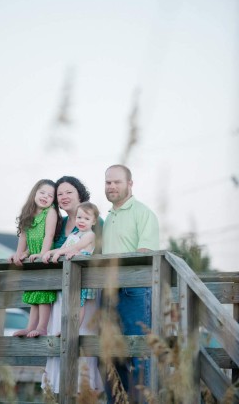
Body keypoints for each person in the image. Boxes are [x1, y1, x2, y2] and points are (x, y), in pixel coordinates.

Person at [102, 164, 159, 402]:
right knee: (110, 356)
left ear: (130, 184)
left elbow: (145, 252)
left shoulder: (143, 213)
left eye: (117, 182)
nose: (112, 186)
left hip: (134, 291)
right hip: (107, 292)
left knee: (139, 353)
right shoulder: (107, 218)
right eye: (108, 182)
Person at [40, 201, 104, 396]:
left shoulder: (89, 235)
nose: (82, 221)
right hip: (71, 279)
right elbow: (66, 246)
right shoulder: (74, 234)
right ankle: (70, 324)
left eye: (86, 218)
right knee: (74, 302)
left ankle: (74, 326)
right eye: (79, 218)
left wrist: (59, 252)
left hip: (84, 276)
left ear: (93, 221)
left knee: (81, 303)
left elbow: (76, 248)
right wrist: (48, 253)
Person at [9, 179, 59, 338]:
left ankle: (42, 327)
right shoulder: (28, 212)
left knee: (43, 294)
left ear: (53, 200)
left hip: (44, 258)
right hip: (33, 259)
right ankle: (30, 327)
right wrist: (19, 254)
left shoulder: (50, 212)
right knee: (33, 293)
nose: (45, 197)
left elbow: (49, 235)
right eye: (42, 192)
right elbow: (23, 236)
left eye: (50, 195)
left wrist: (43, 253)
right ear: (34, 193)